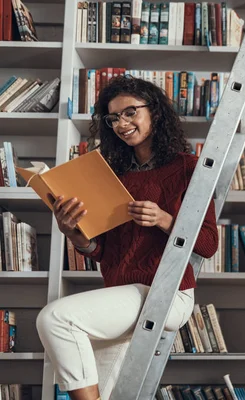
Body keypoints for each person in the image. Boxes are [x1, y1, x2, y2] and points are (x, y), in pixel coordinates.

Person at [36, 75, 219, 400]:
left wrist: (164, 219)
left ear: (155, 113)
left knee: (56, 319)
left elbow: (207, 243)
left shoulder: (188, 168)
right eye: (113, 117)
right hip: (123, 294)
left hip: (167, 293)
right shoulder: (113, 173)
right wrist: (76, 236)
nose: (122, 123)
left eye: (130, 112)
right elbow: (104, 251)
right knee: (106, 393)